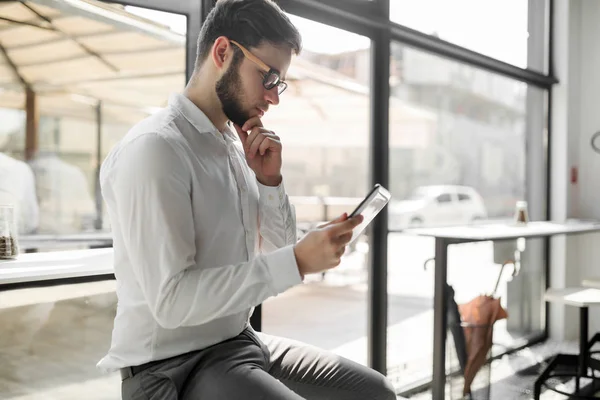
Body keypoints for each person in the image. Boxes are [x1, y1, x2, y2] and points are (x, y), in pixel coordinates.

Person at [97, 1, 397, 399]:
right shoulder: (157, 148)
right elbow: (171, 303)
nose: (274, 97)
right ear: (223, 52)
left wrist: (270, 183)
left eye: (280, 82)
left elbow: (279, 247)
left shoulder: (234, 147)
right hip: (170, 368)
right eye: (268, 76)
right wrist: (298, 261)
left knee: (375, 392)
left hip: (239, 341)